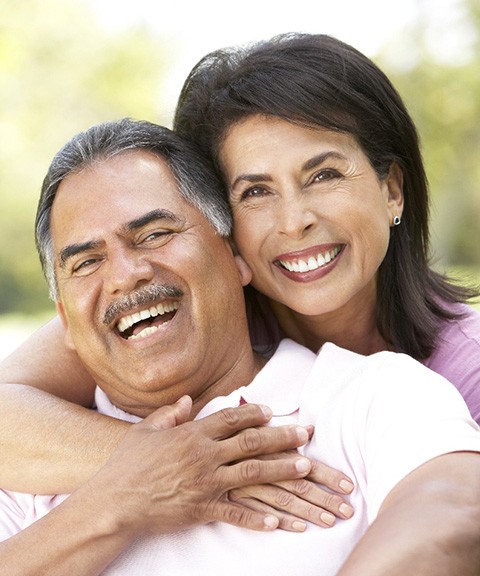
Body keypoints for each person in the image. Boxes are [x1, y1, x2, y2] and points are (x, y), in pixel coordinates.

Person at [0, 32, 479, 509]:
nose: (295, 222)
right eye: (255, 192)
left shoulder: (462, 371)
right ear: (218, 225)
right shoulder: (191, 309)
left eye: (324, 175)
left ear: (392, 189)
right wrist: (183, 464)